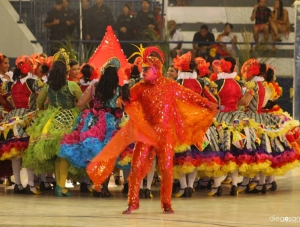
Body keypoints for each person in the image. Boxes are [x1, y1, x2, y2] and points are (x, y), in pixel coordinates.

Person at [86, 46, 219, 214]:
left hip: (165, 133)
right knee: (136, 168)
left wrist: (208, 104)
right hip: (146, 133)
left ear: (156, 70)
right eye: (142, 69)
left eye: (147, 69)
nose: (143, 71)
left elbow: (190, 96)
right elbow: (126, 100)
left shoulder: (169, 85)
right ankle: (132, 202)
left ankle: (166, 203)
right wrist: (122, 99)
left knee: (166, 169)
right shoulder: (140, 87)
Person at [59, 57, 130, 197]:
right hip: (113, 124)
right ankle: (103, 187)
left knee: (95, 155)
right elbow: (126, 107)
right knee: (109, 157)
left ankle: (95, 184)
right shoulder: (120, 90)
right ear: (115, 75)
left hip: (94, 122)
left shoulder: (94, 87)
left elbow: (80, 104)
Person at [22, 49, 83, 197]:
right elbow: (82, 103)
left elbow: (39, 101)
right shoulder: (72, 86)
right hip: (68, 120)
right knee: (64, 155)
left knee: (58, 155)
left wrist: (47, 109)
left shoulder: (48, 86)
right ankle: (61, 187)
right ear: (66, 69)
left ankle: (59, 185)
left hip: (50, 121)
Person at [0, 56, 40, 195]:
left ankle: (17, 184)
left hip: (13, 119)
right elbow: (42, 98)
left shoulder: (10, 84)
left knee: (16, 153)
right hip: (29, 118)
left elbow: (3, 98)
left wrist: (11, 108)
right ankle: (31, 185)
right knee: (28, 152)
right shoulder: (34, 82)